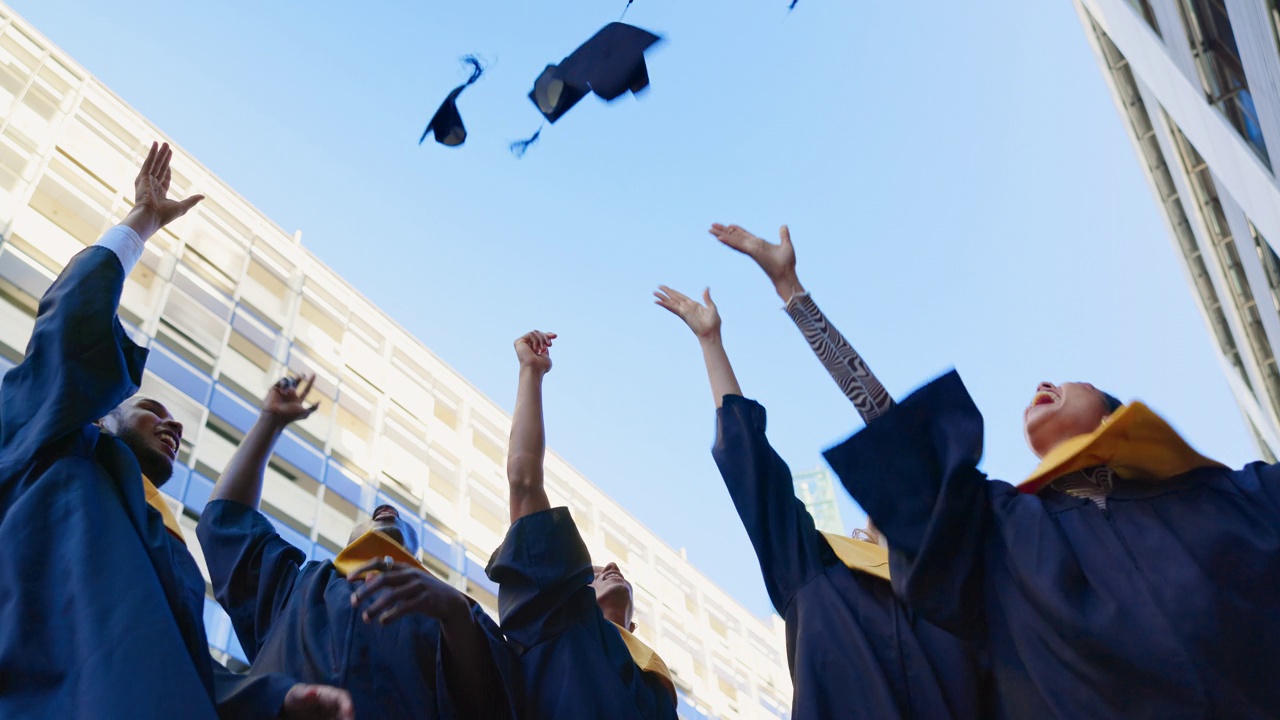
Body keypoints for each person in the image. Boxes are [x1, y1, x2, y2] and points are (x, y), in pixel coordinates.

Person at [707, 216, 1280, 717]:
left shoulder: (1226, 495)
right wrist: (795, 296)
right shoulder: (1007, 534)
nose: (1041, 385)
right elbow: (899, 432)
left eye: (1065, 380)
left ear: (1114, 415)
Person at [0, 142, 351, 719]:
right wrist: (142, 221)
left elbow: (181, 659)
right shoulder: (53, 443)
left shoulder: (166, 545)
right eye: (152, 409)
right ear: (99, 416)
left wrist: (276, 698)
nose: (174, 423)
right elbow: (73, 324)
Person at [653, 223, 989, 720]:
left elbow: (894, 428)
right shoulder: (815, 574)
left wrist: (793, 291)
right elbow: (754, 472)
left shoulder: (957, 582)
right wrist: (711, 343)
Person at [197, 375, 514, 719]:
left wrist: (455, 613)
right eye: (375, 514)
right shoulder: (297, 589)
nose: (385, 509)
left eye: (402, 521)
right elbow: (225, 522)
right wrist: (269, 422)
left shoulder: (455, 613)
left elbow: (490, 703)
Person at [485, 331, 678, 719]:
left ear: (634, 627)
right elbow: (524, 481)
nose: (611, 567)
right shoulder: (559, 619)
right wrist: (531, 373)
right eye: (591, 574)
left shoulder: (656, 693)